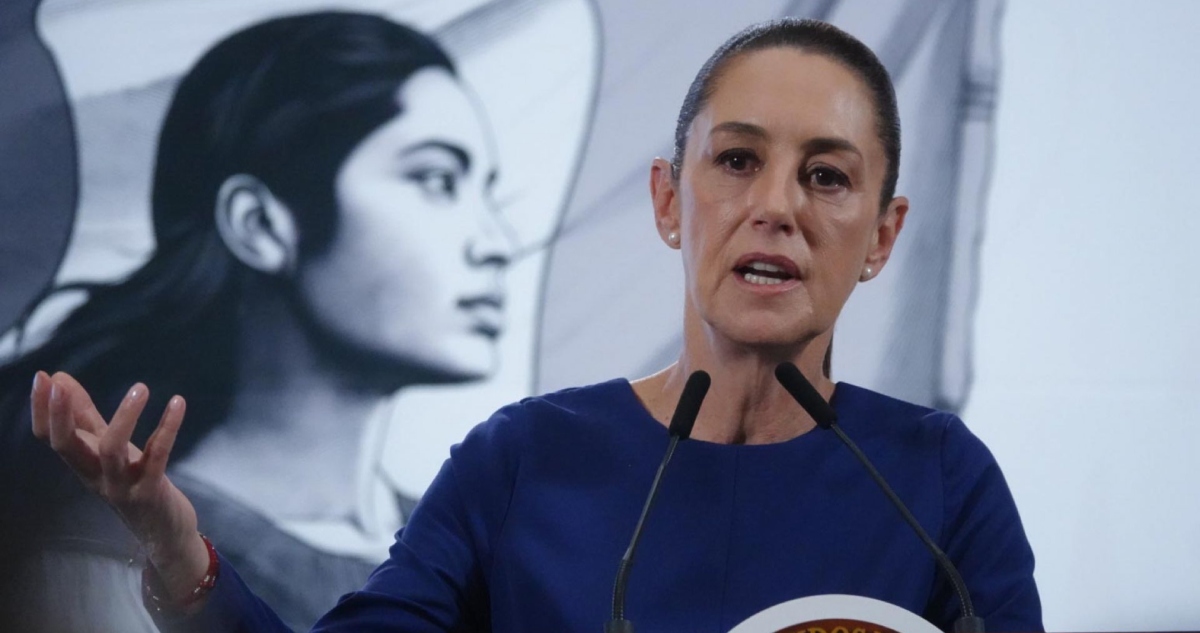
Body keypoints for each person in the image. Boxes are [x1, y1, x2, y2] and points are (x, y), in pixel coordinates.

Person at [26, 17, 1042, 633]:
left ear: (882, 234)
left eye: (826, 175)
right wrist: (182, 558)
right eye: (737, 161)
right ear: (668, 202)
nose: (776, 205)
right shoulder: (524, 462)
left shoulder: (939, 487)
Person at [1, 11, 513, 632]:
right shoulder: (113, 552)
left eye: (488, 192)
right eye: (437, 179)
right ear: (260, 225)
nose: (497, 243)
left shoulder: (463, 539)